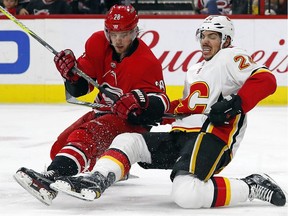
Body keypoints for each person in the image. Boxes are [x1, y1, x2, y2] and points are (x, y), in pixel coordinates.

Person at [51, 15, 286, 208]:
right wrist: (144, 110)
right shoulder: (196, 69)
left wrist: (235, 103)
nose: (205, 41)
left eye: (212, 36)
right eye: (203, 36)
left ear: (225, 40)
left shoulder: (231, 56)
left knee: (186, 195)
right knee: (127, 140)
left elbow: (266, 80)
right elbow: (184, 108)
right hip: (182, 135)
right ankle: (98, 178)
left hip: (212, 137)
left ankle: (252, 185)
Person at [14, 4, 169, 206]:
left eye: (124, 34)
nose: (118, 40)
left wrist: (139, 102)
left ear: (135, 31)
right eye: (113, 34)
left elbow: (161, 104)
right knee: (60, 148)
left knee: (86, 135)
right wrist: (71, 75)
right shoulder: (98, 43)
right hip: (102, 113)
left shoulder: (147, 62)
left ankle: (50, 178)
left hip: (131, 123)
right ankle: (115, 166)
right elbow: (80, 89)